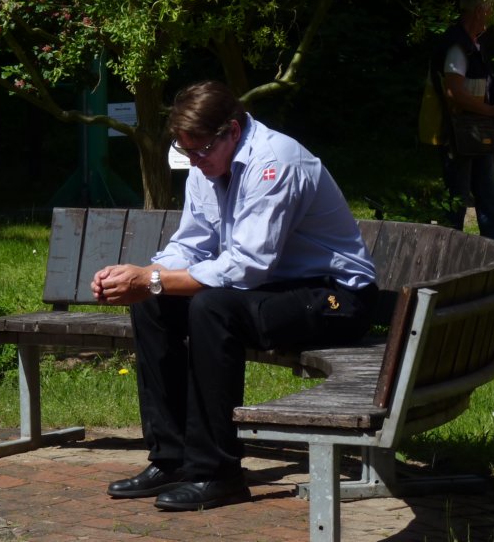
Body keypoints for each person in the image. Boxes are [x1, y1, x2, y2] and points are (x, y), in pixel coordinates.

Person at [91, 80, 378, 511]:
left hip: (337, 297)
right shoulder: (205, 162)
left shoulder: (275, 162)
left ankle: (218, 473)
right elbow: (192, 243)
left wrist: (151, 280)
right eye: (186, 152)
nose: (195, 161)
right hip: (276, 288)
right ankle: (171, 459)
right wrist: (143, 276)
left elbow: (247, 266)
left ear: (233, 131)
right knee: (153, 303)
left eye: (201, 151)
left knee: (212, 308)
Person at [427, 0, 494, 244]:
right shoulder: (457, 46)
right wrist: (491, 110)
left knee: (489, 200)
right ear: (479, 10)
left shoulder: (473, 44)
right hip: (458, 135)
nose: (492, 15)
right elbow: (454, 92)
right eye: (490, 10)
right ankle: (448, 255)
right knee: (457, 202)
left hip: (475, 133)